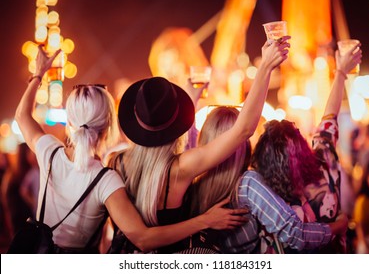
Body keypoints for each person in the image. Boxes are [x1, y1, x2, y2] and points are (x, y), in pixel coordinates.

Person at [14, 45, 250, 253]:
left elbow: (22, 116)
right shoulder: (106, 180)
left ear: (70, 122)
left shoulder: (50, 152)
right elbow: (144, 239)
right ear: (108, 123)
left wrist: (38, 74)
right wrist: (205, 220)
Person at [111, 37, 291, 253]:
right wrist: (265, 66)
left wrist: (191, 98)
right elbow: (242, 130)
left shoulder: (115, 163)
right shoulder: (181, 167)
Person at [250, 42, 362, 253]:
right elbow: (330, 117)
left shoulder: (264, 193)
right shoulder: (323, 163)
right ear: (302, 146)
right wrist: (340, 72)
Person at [189, 106, 348, 253]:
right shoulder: (248, 184)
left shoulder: (193, 182)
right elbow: (295, 234)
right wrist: (338, 226)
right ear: (241, 143)